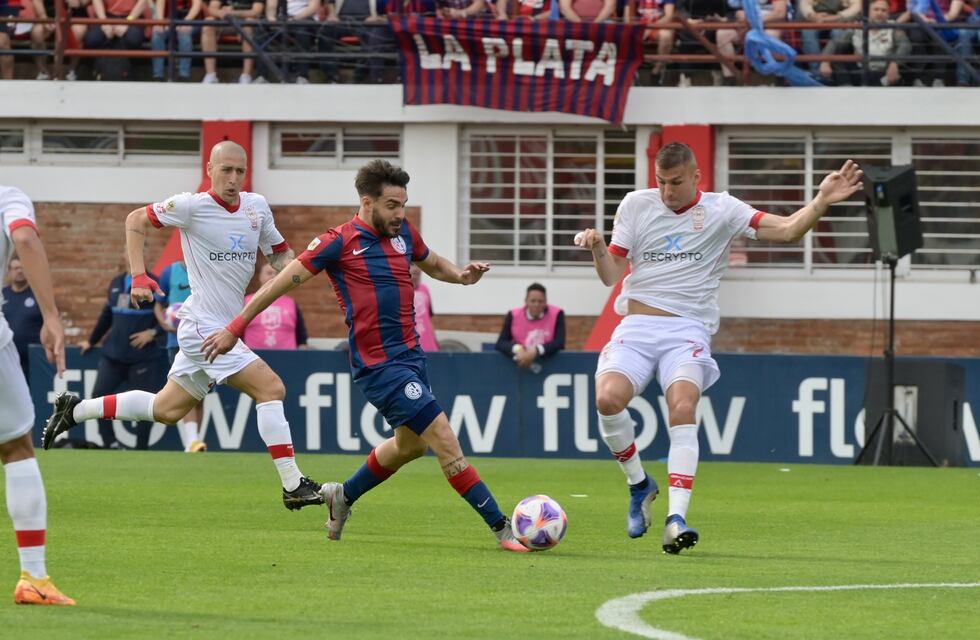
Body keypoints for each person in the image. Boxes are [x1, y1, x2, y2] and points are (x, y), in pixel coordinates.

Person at [202, 159, 528, 552]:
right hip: (379, 366)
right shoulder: (337, 242)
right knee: (443, 438)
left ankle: (342, 496)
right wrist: (235, 328)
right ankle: (502, 528)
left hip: (412, 359)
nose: (400, 213)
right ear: (367, 202)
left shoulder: (402, 232)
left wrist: (461, 275)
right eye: (392, 205)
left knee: (411, 446)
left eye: (403, 204)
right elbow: (278, 287)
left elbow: (433, 262)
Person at [574, 143, 862, 553]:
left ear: (696, 177)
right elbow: (610, 276)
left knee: (683, 408)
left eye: (675, 182)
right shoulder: (636, 205)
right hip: (636, 326)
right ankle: (640, 485)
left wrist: (821, 201)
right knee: (607, 400)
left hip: (687, 330)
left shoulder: (723, 209)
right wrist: (599, 246)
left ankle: (676, 519)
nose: (668, 191)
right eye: (661, 182)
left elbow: (787, 229)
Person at [41, 141, 324, 512]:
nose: (233, 178)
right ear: (210, 169)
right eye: (226, 170)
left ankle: (74, 411)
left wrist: (307, 262)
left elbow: (279, 255)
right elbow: (135, 220)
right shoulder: (191, 206)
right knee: (271, 389)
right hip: (202, 326)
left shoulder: (257, 208)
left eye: (240, 171)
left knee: (166, 409)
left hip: (220, 324)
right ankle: (292, 484)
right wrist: (139, 275)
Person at [0, 185, 74, 605]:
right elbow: (25, 238)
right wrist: (51, 315)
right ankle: (34, 578)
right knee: (16, 448)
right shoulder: (8, 195)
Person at [80, 257, 167, 450]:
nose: (132, 258)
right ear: (124, 258)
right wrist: (91, 340)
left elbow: (169, 315)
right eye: (128, 254)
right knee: (99, 395)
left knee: (145, 404)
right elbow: (106, 315)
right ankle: (110, 444)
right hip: (113, 355)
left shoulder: (155, 283)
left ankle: (141, 448)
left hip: (143, 357)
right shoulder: (116, 283)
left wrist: (153, 333)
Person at [154, 259, 206, 452]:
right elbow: (158, 305)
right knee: (186, 391)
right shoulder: (170, 272)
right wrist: (164, 324)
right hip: (177, 341)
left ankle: (193, 441)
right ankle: (192, 441)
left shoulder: (208, 267)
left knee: (200, 394)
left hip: (205, 340)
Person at [819, 0, 911, 86]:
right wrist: (825, 61)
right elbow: (836, 42)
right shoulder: (857, 26)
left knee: (902, 69)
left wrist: (894, 63)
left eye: (883, 10)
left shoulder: (894, 27)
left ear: (888, 14)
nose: (879, 13)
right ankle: (846, 91)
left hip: (884, 72)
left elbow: (905, 45)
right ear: (867, 12)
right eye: (876, 9)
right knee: (837, 59)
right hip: (860, 70)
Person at [494, 282, 565, 372]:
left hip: (550, 367)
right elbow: (501, 343)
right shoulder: (513, 314)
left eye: (540, 301)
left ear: (546, 301)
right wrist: (518, 349)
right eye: (533, 301)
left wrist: (537, 350)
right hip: (518, 368)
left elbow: (559, 342)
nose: (536, 304)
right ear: (526, 301)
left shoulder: (557, 313)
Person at [242, 262, 310, 350]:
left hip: (287, 359)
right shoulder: (246, 302)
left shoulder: (291, 303)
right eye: (269, 273)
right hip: (253, 359)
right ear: (260, 277)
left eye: (277, 273)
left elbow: (301, 338)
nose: (273, 276)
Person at [201, 0, 264, 84]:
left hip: (244, 22)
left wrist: (233, 13)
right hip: (225, 22)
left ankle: (246, 76)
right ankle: (210, 75)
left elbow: (256, 11)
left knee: (249, 23)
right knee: (208, 22)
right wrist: (221, 13)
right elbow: (212, 8)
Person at [2, 256, 44, 382]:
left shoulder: (38, 295)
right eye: (15, 268)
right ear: (9, 271)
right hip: (6, 358)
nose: (19, 271)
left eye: (22, 268)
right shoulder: (3, 294)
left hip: (32, 360)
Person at [151, 0, 203, 82]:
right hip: (170, 20)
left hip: (191, 20)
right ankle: (157, 76)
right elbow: (159, 6)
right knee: (157, 34)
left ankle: (184, 75)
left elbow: (196, 7)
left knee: (184, 33)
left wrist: (185, 22)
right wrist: (161, 23)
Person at [410, 263, 438, 352]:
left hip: (430, 347)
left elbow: (429, 319)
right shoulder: (400, 291)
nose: (415, 269)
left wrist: (435, 341)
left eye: (417, 265)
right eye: (411, 265)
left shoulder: (425, 289)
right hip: (411, 348)